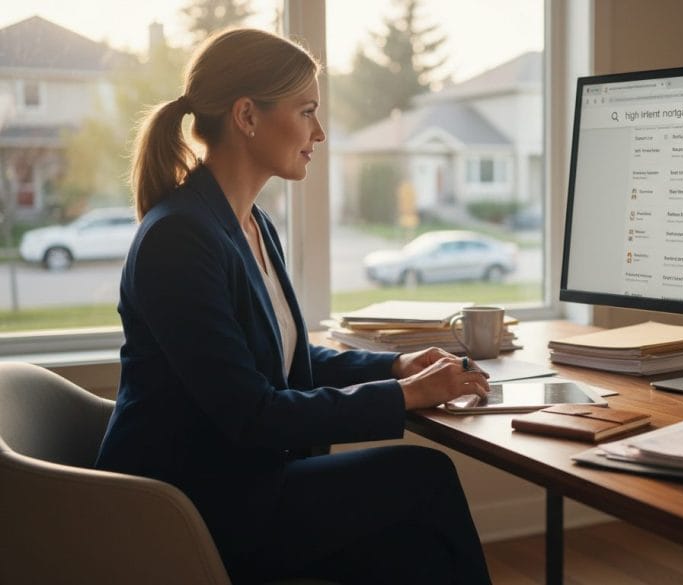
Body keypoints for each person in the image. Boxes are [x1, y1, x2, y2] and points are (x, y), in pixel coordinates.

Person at [95, 28, 492, 584]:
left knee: (412, 545)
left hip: (244, 482)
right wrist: (402, 397)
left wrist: (394, 367)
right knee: (424, 478)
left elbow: (279, 359)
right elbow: (252, 411)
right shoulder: (179, 239)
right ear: (247, 116)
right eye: (306, 112)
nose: (320, 132)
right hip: (189, 506)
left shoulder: (252, 224)